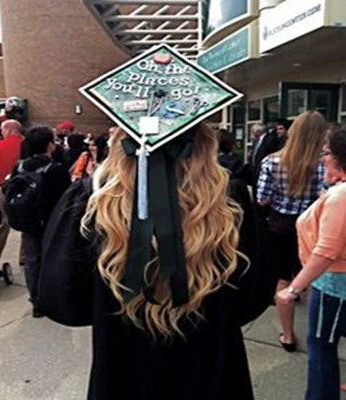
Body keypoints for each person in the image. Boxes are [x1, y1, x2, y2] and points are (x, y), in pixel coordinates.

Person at [80, 123, 277, 400]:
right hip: (210, 365)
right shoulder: (230, 200)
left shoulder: (95, 201)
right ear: (206, 142)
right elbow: (254, 296)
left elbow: (65, 300)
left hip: (123, 368)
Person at [277, 126, 346, 400]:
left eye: (326, 153)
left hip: (333, 283)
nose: (322, 159)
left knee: (321, 347)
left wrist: (293, 289)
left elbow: (326, 251)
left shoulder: (341, 197)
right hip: (336, 280)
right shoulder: (338, 191)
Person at [257, 110, 327, 352]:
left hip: (280, 226)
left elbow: (262, 199)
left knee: (283, 281)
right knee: (312, 280)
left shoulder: (272, 161)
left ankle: (288, 335)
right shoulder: (325, 164)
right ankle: (317, 336)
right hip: (314, 228)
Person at [19, 124, 71, 317]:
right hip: (52, 221)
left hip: (29, 221)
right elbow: (65, 197)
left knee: (32, 260)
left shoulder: (20, 165)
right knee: (53, 260)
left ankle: (36, 301)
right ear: (50, 145)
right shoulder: (55, 169)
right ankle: (53, 298)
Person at [0, 119, 24, 274]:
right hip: (25, 192)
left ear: (9, 129)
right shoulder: (27, 145)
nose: (1, 132)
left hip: (0, 190)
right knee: (29, 225)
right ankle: (25, 257)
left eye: (2, 129)